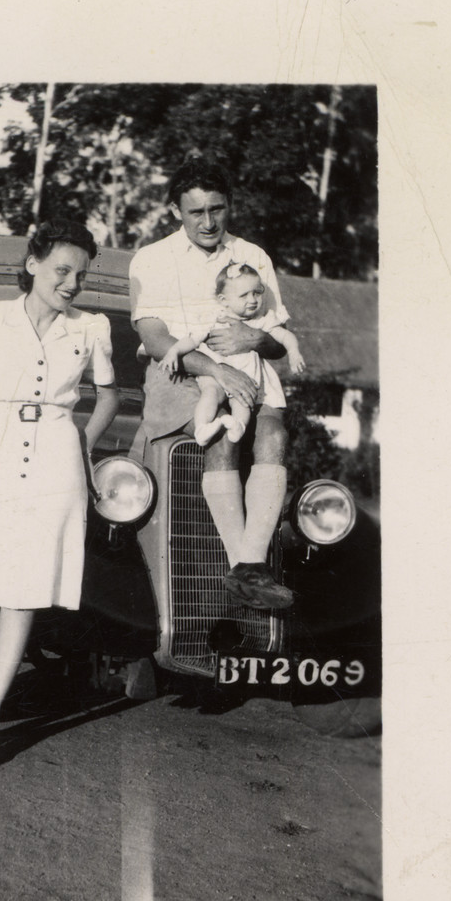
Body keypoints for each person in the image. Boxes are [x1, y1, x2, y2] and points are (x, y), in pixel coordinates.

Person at [0, 220, 120, 769]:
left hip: (57, 462)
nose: (71, 283)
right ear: (33, 262)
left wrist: (76, 444)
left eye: (81, 275)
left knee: (23, 597)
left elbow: (105, 398)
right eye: (62, 270)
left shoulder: (92, 328)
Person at [130, 158, 294, 611]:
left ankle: (247, 568)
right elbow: (155, 339)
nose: (208, 222)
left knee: (275, 431)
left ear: (230, 206)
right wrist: (218, 370)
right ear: (175, 211)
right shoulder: (152, 259)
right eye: (196, 212)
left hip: (250, 368)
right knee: (221, 434)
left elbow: (277, 343)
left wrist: (255, 337)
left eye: (217, 209)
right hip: (178, 375)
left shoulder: (254, 256)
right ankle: (248, 568)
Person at [158, 261, 305, 447]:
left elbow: (285, 335)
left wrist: (294, 352)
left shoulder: (262, 320)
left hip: (246, 379)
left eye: (257, 292)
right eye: (244, 295)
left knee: (243, 401)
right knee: (210, 393)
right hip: (214, 374)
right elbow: (192, 339)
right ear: (223, 300)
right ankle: (202, 428)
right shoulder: (214, 318)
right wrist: (174, 351)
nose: (252, 300)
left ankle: (238, 427)